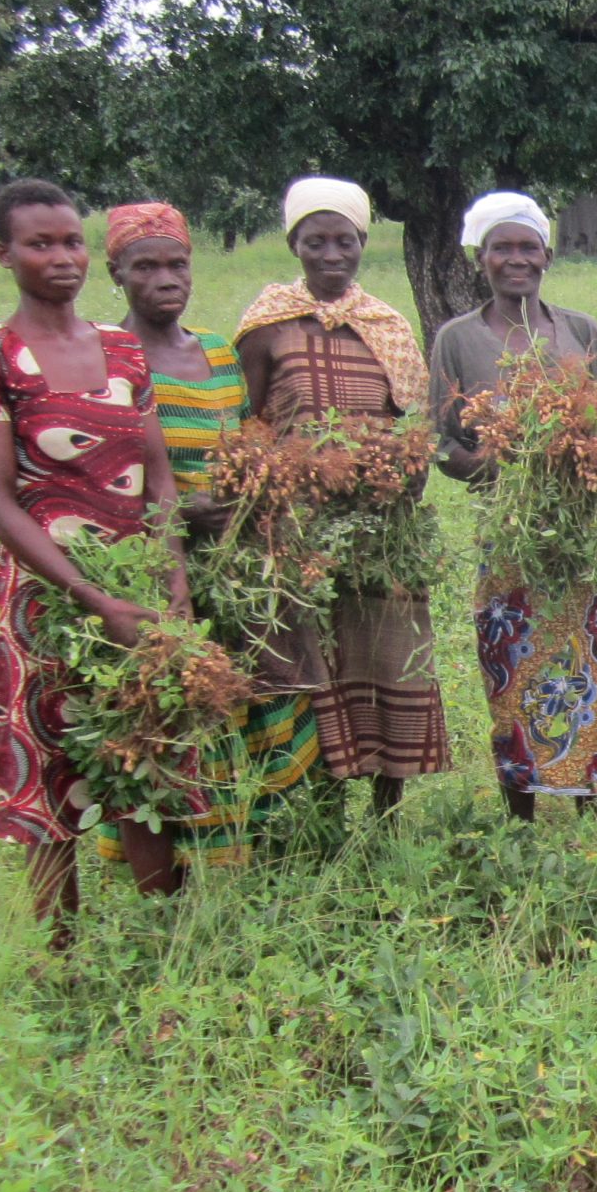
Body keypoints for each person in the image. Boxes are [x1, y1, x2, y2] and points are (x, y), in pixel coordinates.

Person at [0, 178, 189, 934]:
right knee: (48, 776)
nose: (60, 258)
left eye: (71, 242)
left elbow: (157, 475)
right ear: (3, 254)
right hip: (47, 603)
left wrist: (172, 577)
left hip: (133, 595)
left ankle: (166, 943)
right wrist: (93, 598)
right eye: (39, 244)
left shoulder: (121, 350)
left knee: (143, 761)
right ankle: (63, 953)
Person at [429, 191, 597, 820]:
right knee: (513, 673)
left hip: (588, 538)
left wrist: (582, 450)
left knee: (591, 669)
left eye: (527, 247)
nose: (515, 260)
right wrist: (504, 463)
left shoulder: (578, 330)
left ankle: (591, 810)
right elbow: (444, 445)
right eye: (501, 248)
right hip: (512, 539)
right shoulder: (457, 340)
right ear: (482, 259)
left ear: (548, 256)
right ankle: (522, 814)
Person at [104, 200, 320, 865]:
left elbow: (247, 445)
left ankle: (259, 851)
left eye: (177, 264)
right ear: (117, 273)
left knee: (251, 690)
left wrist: (257, 497)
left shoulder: (220, 353)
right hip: (157, 561)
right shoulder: (107, 359)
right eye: (146, 266)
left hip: (236, 559)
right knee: (181, 706)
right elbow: (112, 475)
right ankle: (181, 865)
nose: (166, 279)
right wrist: (185, 515)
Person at [235, 175, 450, 816]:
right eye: (316, 241)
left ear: (361, 244)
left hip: (382, 526)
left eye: (345, 241)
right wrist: (280, 480)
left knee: (388, 655)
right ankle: (321, 810)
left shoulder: (384, 326)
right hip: (300, 527)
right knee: (311, 658)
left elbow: (415, 422)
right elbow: (247, 424)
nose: (332, 254)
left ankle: (387, 807)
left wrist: (404, 475)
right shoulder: (266, 326)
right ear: (294, 244)